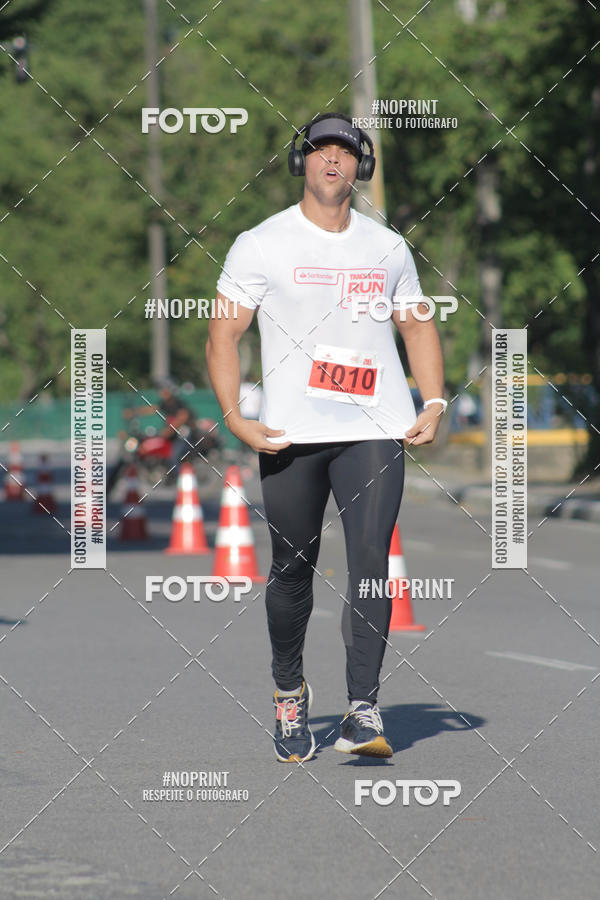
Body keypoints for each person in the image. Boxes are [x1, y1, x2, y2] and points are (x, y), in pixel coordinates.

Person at [206, 113, 445, 762]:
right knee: (292, 567)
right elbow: (223, 334)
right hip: (290, 433)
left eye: (345, 151)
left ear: (361, 167)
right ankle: (289, 691)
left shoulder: (386, 247)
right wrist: (233, 414)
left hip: (374, 426)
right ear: (301, 162)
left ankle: (361, 708)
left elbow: (418, 326)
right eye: (320, 151)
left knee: (371, 565)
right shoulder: (261, 245)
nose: (332, 160)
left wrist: (435, 399)